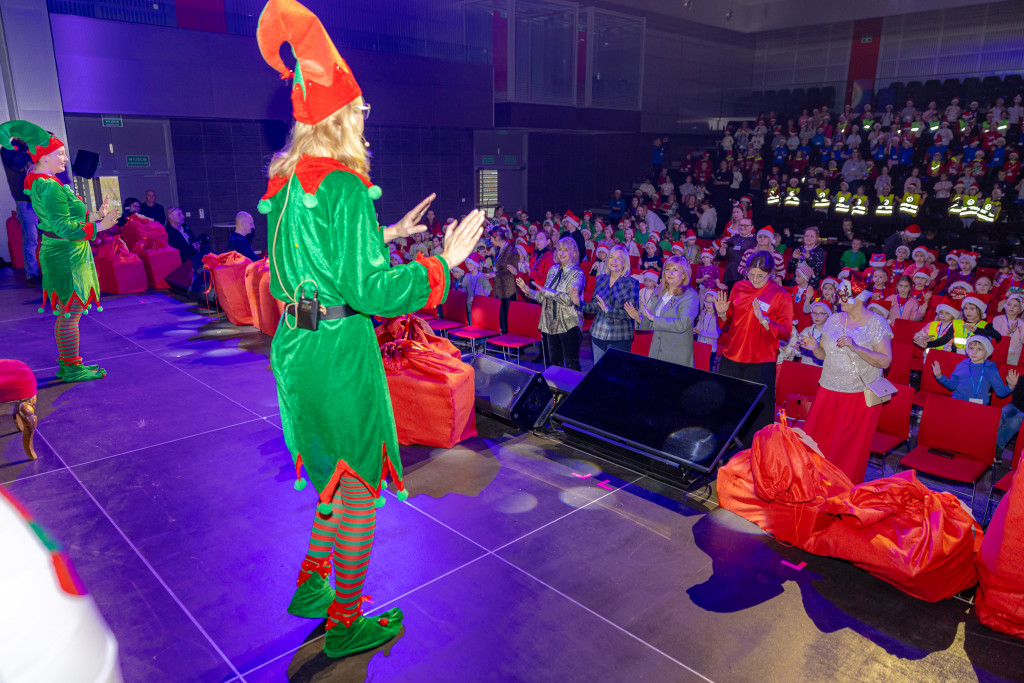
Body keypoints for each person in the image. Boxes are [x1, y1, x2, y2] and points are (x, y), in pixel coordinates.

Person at [255, 0, 485, 658]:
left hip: (297, 347)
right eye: (359, 109)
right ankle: (345, 622)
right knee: (358, 485)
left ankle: (311, 583)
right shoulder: (347, 186)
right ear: (341, 117)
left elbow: (303, 262)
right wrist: (443, 264)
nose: (364, 117)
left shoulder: (287, 180)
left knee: (331, 474)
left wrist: (383, 234)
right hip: (336, 352)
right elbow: (372, 293)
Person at [0, 120, 119, 381]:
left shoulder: (44, 181)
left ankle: (70, 364)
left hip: (65, 252)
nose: (65, 158)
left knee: (69, 313)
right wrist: (100, 227)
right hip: (66, 255)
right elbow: (62, 227)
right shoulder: (50, 186)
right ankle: (71, 368)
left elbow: (65, 218)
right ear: (44, 157)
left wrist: (96, 215)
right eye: (61, 153)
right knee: (69, 314)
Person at [798, 275, 893, 484]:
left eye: (843, 295)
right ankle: (813, 486)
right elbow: (824, 354)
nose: (838, 299)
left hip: (858, 396)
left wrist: (856, 347)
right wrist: (815, 347)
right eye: (839, 294)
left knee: (847, 451)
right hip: (828, 390)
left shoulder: (877, 323)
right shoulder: (833, 319)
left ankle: (841, 491)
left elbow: (885, 361)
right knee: (818, 442)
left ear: (859, 297)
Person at [715, 250, 794, 444]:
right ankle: (725, 447)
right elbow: (727, 319)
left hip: (760, 361)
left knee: (757, 413)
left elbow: (785, 332)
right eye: (751, 274)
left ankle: (754, 451)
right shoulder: (739, 287)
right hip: (732, 355)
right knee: (728, 405)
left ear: (771, 273)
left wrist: (766, 322)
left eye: (760, 276)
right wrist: (722, 313)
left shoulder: (781, 295)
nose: (755, 279)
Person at [519, 236, 584, 370]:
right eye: (559, 249)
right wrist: (529, 292)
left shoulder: (577, 273)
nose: (561, 253)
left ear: (574, 253)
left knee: (571, 365)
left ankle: (574, 385)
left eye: (566, 250)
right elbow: (545, 297)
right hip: (551, 323)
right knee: (554, 365)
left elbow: (569, 299)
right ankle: (556, 385)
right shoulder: (553, 270)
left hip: (569, 324)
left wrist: (547, 291)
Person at [625, 256, 699, 367]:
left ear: (684, 274)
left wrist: (654, 319)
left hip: (676, 354)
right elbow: (652, 323)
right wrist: (638, 318)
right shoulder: (659, 292)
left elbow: (682, 324)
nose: (670, 273)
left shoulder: (690, 295)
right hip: (656, 351)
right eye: (667, 269)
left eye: (675, 270)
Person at [571, 244, 638, 365]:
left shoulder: (632, 283)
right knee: (599, 371)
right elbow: (595, 306)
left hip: (620, 336)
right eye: (611, 257)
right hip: (598, 333)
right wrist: (578, 303)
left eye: (619, 258)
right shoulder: (600, 279)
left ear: (624, 262)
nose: (614, 261)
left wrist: (608, 310)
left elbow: (631, 314)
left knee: (616, 373)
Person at [0, 139, 40, 282]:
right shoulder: (7, 149)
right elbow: (18, 164)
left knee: (51, 237)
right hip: (25, 202)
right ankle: (32, 274)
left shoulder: (32, 147)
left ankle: (52, 270)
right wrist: (27, 147)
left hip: (42, 200)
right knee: (31, 240)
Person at [932, 335, 1011, 405]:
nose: (974, 352)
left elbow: (1000, 392)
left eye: (979, 349)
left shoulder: (991, 369)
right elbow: (953, 385)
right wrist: (939, 376)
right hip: (957, 403)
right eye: (971, 348)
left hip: (978, 408)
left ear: (987, 352)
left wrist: (1011, 386)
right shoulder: (961, 365)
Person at [490, 225, 517, 334]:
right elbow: (497, 268)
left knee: (509, 317)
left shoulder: (512, 250)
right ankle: (503, 339)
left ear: (497, 237)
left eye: (491, 238)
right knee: (501, 316)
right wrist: (485, 270)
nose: (490, 241)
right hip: (499, 288)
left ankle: (511, 341)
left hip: (508, 289)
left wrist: (495, 274)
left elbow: (512, 272)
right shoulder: (498, 250)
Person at [718, 216, 757, 288]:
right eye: (741, 225)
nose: (743, 227)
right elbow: (723, 256)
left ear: (752, 227)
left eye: (746, 226)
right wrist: (723, 247)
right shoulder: (733, 239)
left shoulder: (755, 241)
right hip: (730, 275)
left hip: (745, 276)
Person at [992, 293, 1024, 366]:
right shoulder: (998, 319)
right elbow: (994, 335)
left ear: (1020, 310)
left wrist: (1022, 333)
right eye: (1009, 304)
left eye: (1015, 306)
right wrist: (1007, 332)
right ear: (1005, 306)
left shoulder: (1022, 323)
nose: (1011, 307)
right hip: (1000, 352)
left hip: (1015, 356)